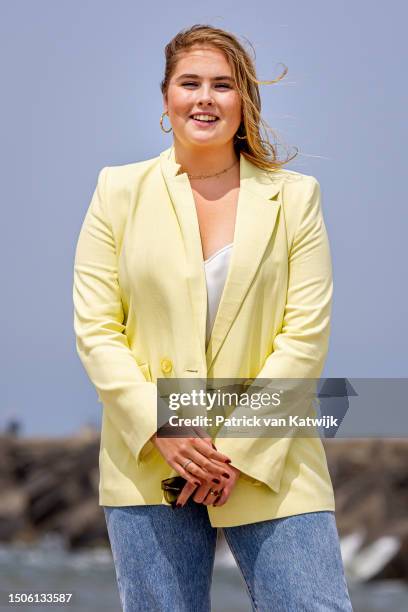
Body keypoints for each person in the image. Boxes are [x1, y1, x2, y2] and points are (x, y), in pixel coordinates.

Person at [73, 23, 353, 612]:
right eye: (190, 82)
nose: (205, 97)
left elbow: (304, 337)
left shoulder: (295, 197)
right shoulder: (116, 191)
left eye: (223, 85)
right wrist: (163, 426)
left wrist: (235, 450)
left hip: (275, 454)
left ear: (244, 101)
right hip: (150, 455)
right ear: (166, 98)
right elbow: (97, 329)